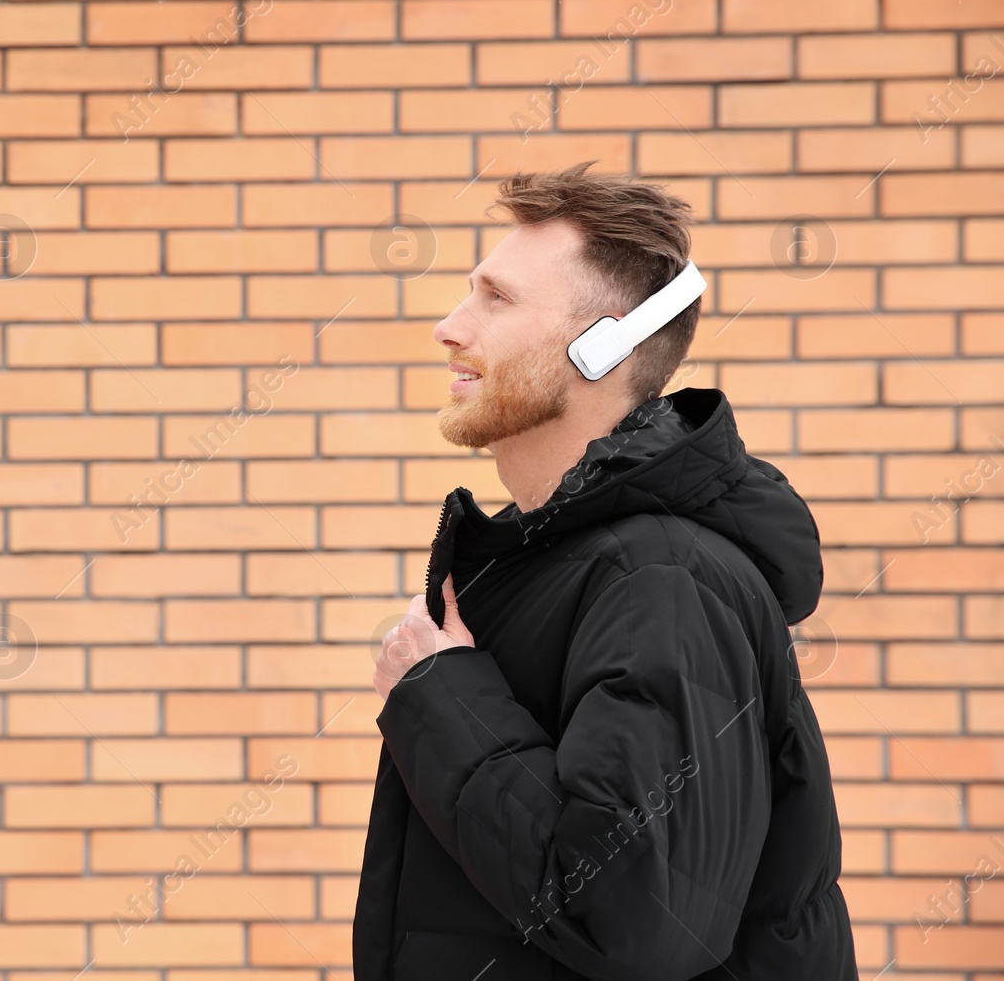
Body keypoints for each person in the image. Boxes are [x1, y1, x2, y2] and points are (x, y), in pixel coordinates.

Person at [353, 162, 856, 980]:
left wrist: (443, 701)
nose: (449, 325)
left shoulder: (662, 578)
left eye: (496, 298)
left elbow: (640, 917)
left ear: (603, 344)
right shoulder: (569, 564)